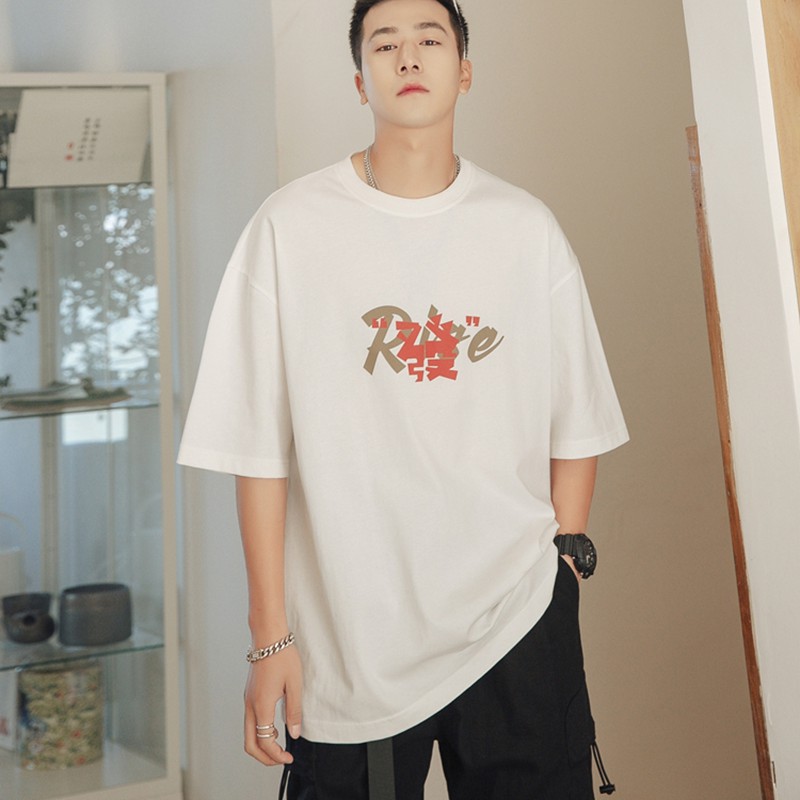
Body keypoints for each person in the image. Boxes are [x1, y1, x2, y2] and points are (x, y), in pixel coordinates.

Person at [178, 0, 628, 797]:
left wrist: (564, 562)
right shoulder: (289, 229)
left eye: (430, 40)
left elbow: (579, 418)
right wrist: (269, 637)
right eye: (385, 44)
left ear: (465, 69)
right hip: (352, 641)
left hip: (516, 619)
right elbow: (255, 449)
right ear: (360, 80)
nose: (409, 58)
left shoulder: (525, 229)